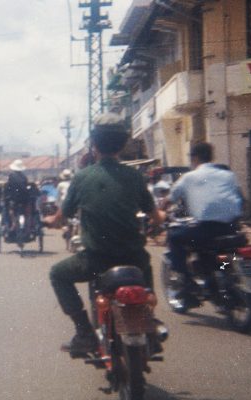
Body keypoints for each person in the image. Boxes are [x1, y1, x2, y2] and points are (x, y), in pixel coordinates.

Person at [49, 112, 165, 356]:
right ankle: (149, 326)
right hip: (134, 259)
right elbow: (154, 214)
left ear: (94, 143)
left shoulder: (82, 177)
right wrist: (161, 219)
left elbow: (62, 216)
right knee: (146, 267)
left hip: (96, 259)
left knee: (57, 274)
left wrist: (52, 220)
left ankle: (84, 332)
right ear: (123, 144)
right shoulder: (135, 176)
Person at [166, 142, 244, 307]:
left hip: (206, 229)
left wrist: (157, 215)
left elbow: (168, 201)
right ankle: (222, 278)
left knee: (174, 237)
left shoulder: (189, 177)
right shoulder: (228, 175)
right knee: (221, 254)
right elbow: (240, 197)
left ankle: (188, 283)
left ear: (194, 158)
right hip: (233, 228)